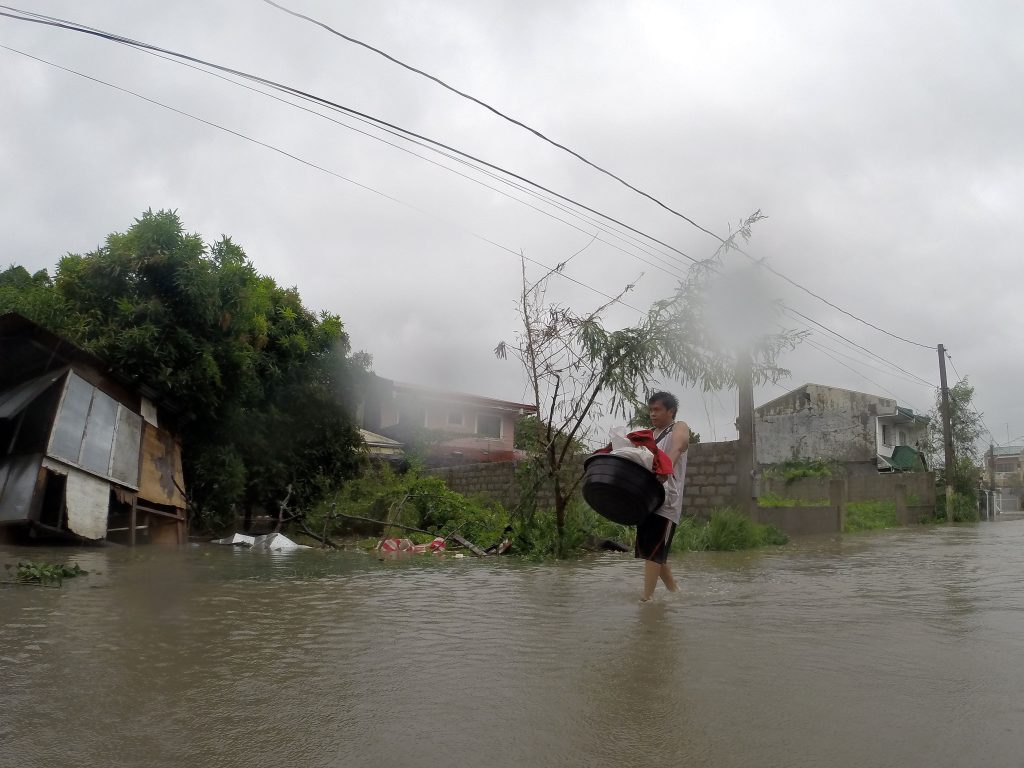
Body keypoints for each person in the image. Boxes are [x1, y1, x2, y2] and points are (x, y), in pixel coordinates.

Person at [636, 391, 689, 603]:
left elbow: (679, 445)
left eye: (657, 409)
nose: (652, 414)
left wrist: (667, 467)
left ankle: (646, 601)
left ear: (671, 411)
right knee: (655, 551)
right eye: (650, 410)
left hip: (667, 502)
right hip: (647, 501)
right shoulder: (648, 434)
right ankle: (676, 593)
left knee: (653, 552)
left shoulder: (678, 427)